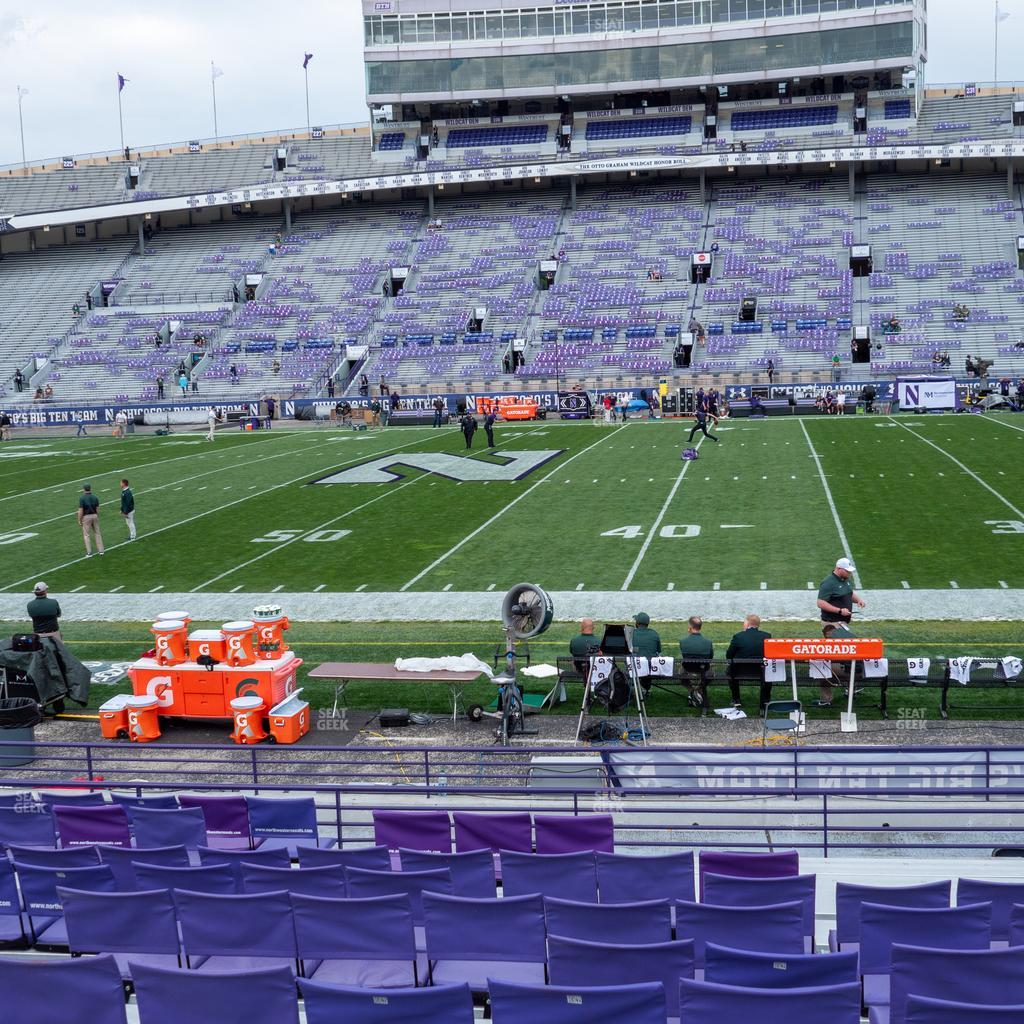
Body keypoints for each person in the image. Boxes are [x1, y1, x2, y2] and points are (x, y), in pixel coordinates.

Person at [725, 614, 772, 709]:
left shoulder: (738, 636)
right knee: (769, 672)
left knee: (730, 671)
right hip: (761, 671)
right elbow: (769, 655)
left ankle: (736, 699)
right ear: (757, 625)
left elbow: (729, 655)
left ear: (747, 623)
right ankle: (765, 700)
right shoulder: (767, 636)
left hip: (739, 671)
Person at [814, 621, 853, 708]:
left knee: (822, 670)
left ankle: (826, 699)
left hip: (845, 670)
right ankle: (851, 692)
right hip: (857, 671)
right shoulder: (848, 640)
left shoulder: (830, 644)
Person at [817, 556, 866, 624]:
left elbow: (848, 593)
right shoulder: (828, 582)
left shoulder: (845, 579)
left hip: (842, 622)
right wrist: (840, 611)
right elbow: (820, 603)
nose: (850, 573)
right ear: (839, 568)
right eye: (847, 571)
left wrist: (858, 600)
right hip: (832, 623)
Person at [77, 483, 104, 557]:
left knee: (86, 535)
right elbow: (98, 509)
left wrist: (79, 520)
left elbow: (81, 511)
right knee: (97, 533)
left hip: (86, 517)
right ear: (90, 489)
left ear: (84, 489)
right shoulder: (95, 497)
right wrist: (96, 516)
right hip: (95, 515)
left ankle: (89, 552)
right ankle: (101, 551)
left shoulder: (82, 498)